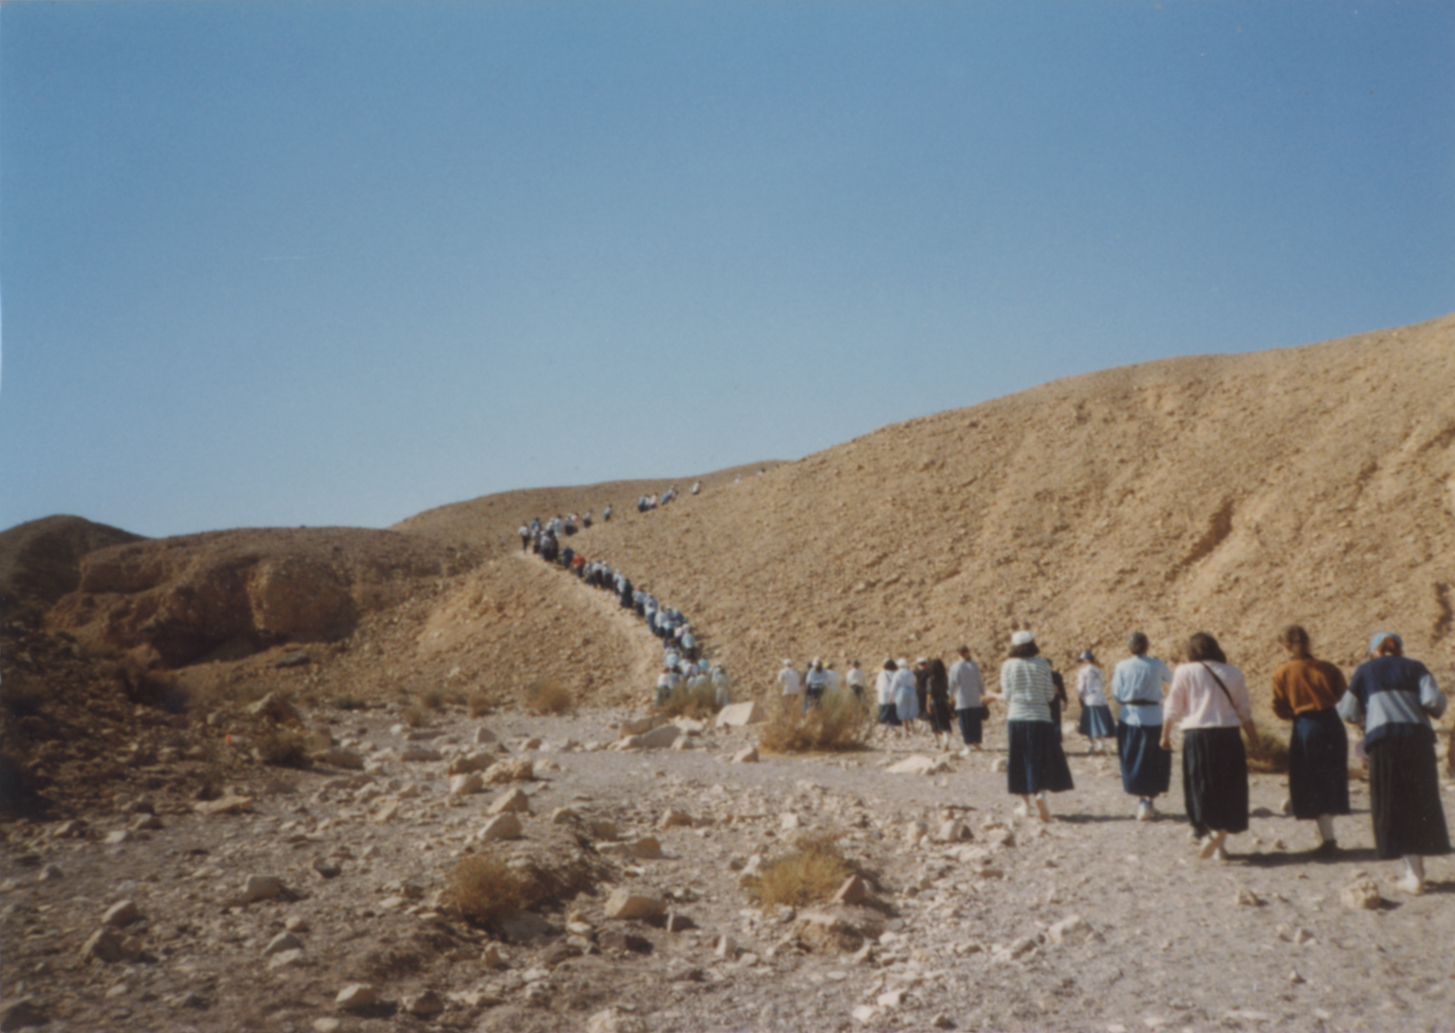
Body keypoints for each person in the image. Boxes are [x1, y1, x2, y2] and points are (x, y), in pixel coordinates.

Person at [1337, 632, 1449, 895]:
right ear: (1399, 649)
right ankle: (1417, 871)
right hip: (1418, 742)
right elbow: (1434, 702)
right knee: (1419, 802)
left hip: (1384, 743)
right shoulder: (1416, 667)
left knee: (1394, 803)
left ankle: (1414, 874)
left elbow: (1347, 711)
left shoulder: (1365, 671)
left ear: (1374, 650)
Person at [1161, 632, 1260, 861]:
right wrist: (1254, 741)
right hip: (1228, 736)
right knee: (1228, 787)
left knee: (1200, 786)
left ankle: (1209, 835)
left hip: (1197, 736)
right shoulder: (1234, 673)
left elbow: (1173, 707)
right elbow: (1243, 711)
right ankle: (1221, 841)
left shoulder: (1184, 671)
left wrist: (1164, 736)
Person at [1270, 624, 1350, 856]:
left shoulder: (1282, 672)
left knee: (1311, 778)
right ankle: (1328, 834)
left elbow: (1279, 707)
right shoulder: (1328, 668)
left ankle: (1328, 839)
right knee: (1330, 777)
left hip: (1306, 726)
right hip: (1333, 725)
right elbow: (1344, 698)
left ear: (1286, 646)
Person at [995, 631, 1073, 820]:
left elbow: (1006, 696)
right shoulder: (1043, 664)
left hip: (1018, 717)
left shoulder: (1008, 665)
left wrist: (992, 696)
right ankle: (1041, 795)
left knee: (1020, 759)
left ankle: (1025, 805)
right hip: (1041, 718)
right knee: (1041, 759)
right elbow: (1048, 696)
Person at [1111, 632, 1174, 821]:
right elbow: (1171, 679)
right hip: (1153, 717)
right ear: (1147, 646)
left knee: (1133, 758)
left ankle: (1142, 802)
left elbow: (1117, 695)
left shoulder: (1121, 666)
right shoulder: (1157, 664)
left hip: (1129, 717)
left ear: (1129, 648)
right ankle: (1149, 801)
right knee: (1154, 760)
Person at [1076, 651, 1115, 754]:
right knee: (1100, 723)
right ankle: (1101, 745)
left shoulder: (1083, 671)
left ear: (1086, 660)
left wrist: (1079, 696)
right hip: (1101, 699)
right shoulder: (1099, 671)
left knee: (1089, 723)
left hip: (1089, 699)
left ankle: (1091, 746)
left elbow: (1081, 686)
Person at [949, 646, 987, 752]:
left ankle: (968, 744)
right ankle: (976, 741)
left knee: (965, 722)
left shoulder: (955, 666)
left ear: (959, 654)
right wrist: (982, 692)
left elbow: (952, 682)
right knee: (975, 721)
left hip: (962, 698)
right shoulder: (974, 665)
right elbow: (979, 680)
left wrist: (950, 694)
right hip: (975, 698)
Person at [926, 657, 954, 748]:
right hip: (944, 702)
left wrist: (927, 705)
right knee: (945, 723)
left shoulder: (930, 679)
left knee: (934, 723)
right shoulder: (946, 678)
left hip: (935, 703)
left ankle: (937, 743)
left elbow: (929, 694)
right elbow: (949, 690)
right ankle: (946, 740)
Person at [892, 658, 919, 735]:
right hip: (912, 691)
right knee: (911, 708)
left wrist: (891, 695)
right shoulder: (910, 672)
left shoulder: (897, 673)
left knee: (903, 710)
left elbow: (894, 685)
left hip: (901, 692)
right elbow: (915, 681)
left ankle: (906, 729)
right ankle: (913, 727)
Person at [875, 659, 900, 728]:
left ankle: (883, 721)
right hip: (893, 697)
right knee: (893, 710)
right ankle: (893, 721)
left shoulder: (881, 674)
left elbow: (877, 687)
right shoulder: (896, 674)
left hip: (883, 696)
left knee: (883, 710)